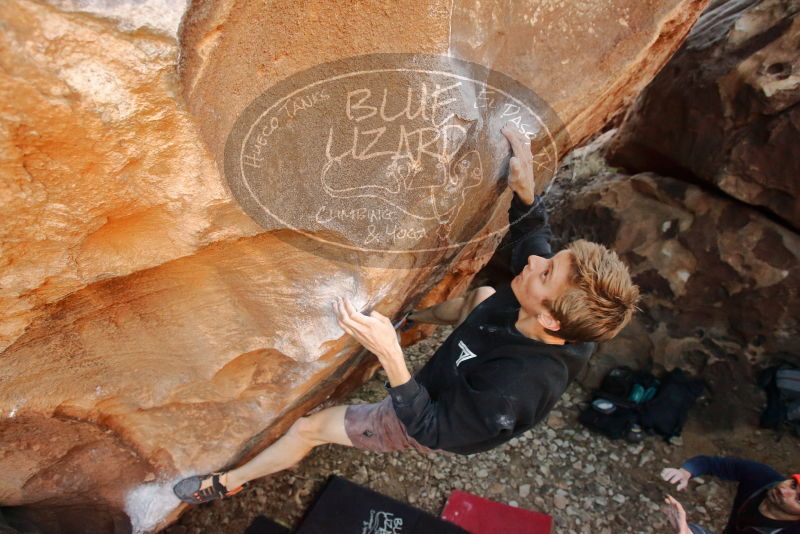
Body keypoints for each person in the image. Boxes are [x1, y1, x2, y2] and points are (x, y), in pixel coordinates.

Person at [173, 123, 640, 504]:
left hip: (431, 415)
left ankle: (227, 482)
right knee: (484, 298)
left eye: (544, 275)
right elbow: (534, 243)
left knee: (307, 428)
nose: (536, 263)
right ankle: (414, 316)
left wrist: (390, 356)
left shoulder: (513, 389)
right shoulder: (545, 305)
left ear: (551, 321)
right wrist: (526, 195)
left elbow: (432, 427)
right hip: (480, 354)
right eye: (550, 262)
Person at [661, 456, 800, 533]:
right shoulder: (762, 478)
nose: (784, 491)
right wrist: (687, 472)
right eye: (793, 484)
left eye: (798, 499)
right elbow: (712, 463)